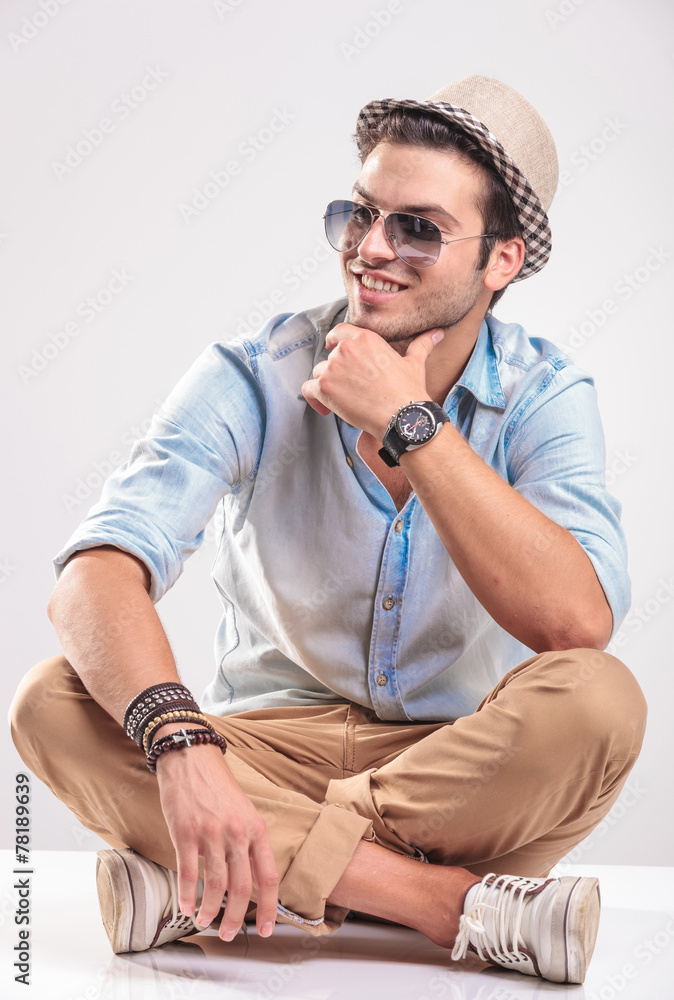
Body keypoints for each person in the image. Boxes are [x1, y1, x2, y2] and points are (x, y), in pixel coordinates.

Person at [9, 75, 647, 985]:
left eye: (418, 226)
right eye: (360, 214)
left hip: (452, 767)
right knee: (51, 701)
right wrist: (183, 748)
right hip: (259, 750)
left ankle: (218, 884)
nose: (370, 249)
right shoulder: (255, 372)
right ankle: (443, 904)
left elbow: (574, 626)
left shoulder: (547, 395)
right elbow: (96, 574)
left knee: (600, 701)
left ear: (501, 261)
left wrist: (411, 425)